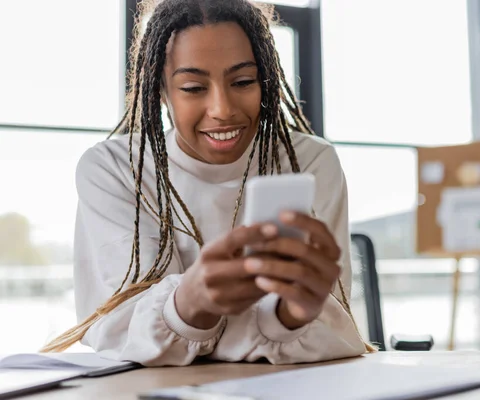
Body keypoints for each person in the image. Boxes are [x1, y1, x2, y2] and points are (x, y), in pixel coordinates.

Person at [41, 0, 375, 366]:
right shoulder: (115, 169)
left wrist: (295, 312)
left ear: (266, 81)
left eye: (243, 81)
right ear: (160, 92)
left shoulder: (308, 162)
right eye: (193, 87)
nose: (222, 109)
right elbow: (119, 333)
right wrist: (194, 300)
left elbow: (334, 326)